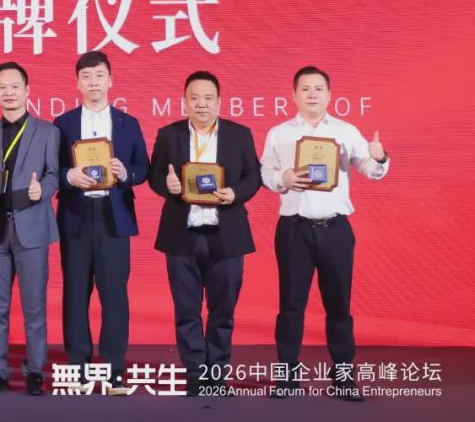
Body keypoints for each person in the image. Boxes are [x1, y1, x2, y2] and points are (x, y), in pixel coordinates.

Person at [262, 66, 390, 402]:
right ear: (294, 95)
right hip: (294, 230)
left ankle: (343, 378)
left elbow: (370, 169)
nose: (312, 94)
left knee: (339, 307)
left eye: (318, 89)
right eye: (305, 89)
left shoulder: (346, 131)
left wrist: (380, 158)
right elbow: (265, 172)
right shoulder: (279, 133)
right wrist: (282, 179)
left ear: (329, 95)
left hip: (335, 230)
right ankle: (287, 378)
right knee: (290, 307)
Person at [147, 71, 261, 395]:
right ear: (184, 101)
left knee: (223, 311)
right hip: (182, 235)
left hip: (226, 234)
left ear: (219, 102)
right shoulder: (169, 134)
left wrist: (235, 193)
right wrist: (167, 185)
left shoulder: (239, 134)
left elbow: (254, 176)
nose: (201, 104)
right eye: (194, 98)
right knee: (186, 310)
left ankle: (217, 374)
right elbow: (155, 176)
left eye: (208, 98)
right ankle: (196, 374)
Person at [54, 50, 148, 390]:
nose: (93, 82)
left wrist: (126, 174)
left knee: (114, 295)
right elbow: (52, 170)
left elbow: (143, 168)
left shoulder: (128, 123)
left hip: (113, 216)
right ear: (78, 83)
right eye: (87, 77)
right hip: (76, 215)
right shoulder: (63, 124)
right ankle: (78, 367)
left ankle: (113, 369)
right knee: (75, 293)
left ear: (110, 80)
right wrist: (69, 176)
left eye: (99, 76)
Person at [0, 62, 59, 396]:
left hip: (32, 228)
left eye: (15, 86)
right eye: (2, 87)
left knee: (34, 307)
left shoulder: (47, 132)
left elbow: (53, 175)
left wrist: (42, 191)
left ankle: (35, 371)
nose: (9, 93)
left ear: (27, 90)